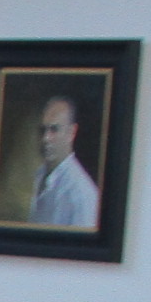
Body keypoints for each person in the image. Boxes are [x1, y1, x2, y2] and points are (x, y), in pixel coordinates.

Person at [27, 94, 99, 230]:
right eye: (43, 130)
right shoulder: (40, 174)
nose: (46, 138)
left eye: (54, 129)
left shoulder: (81, 194)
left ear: (72, 132)